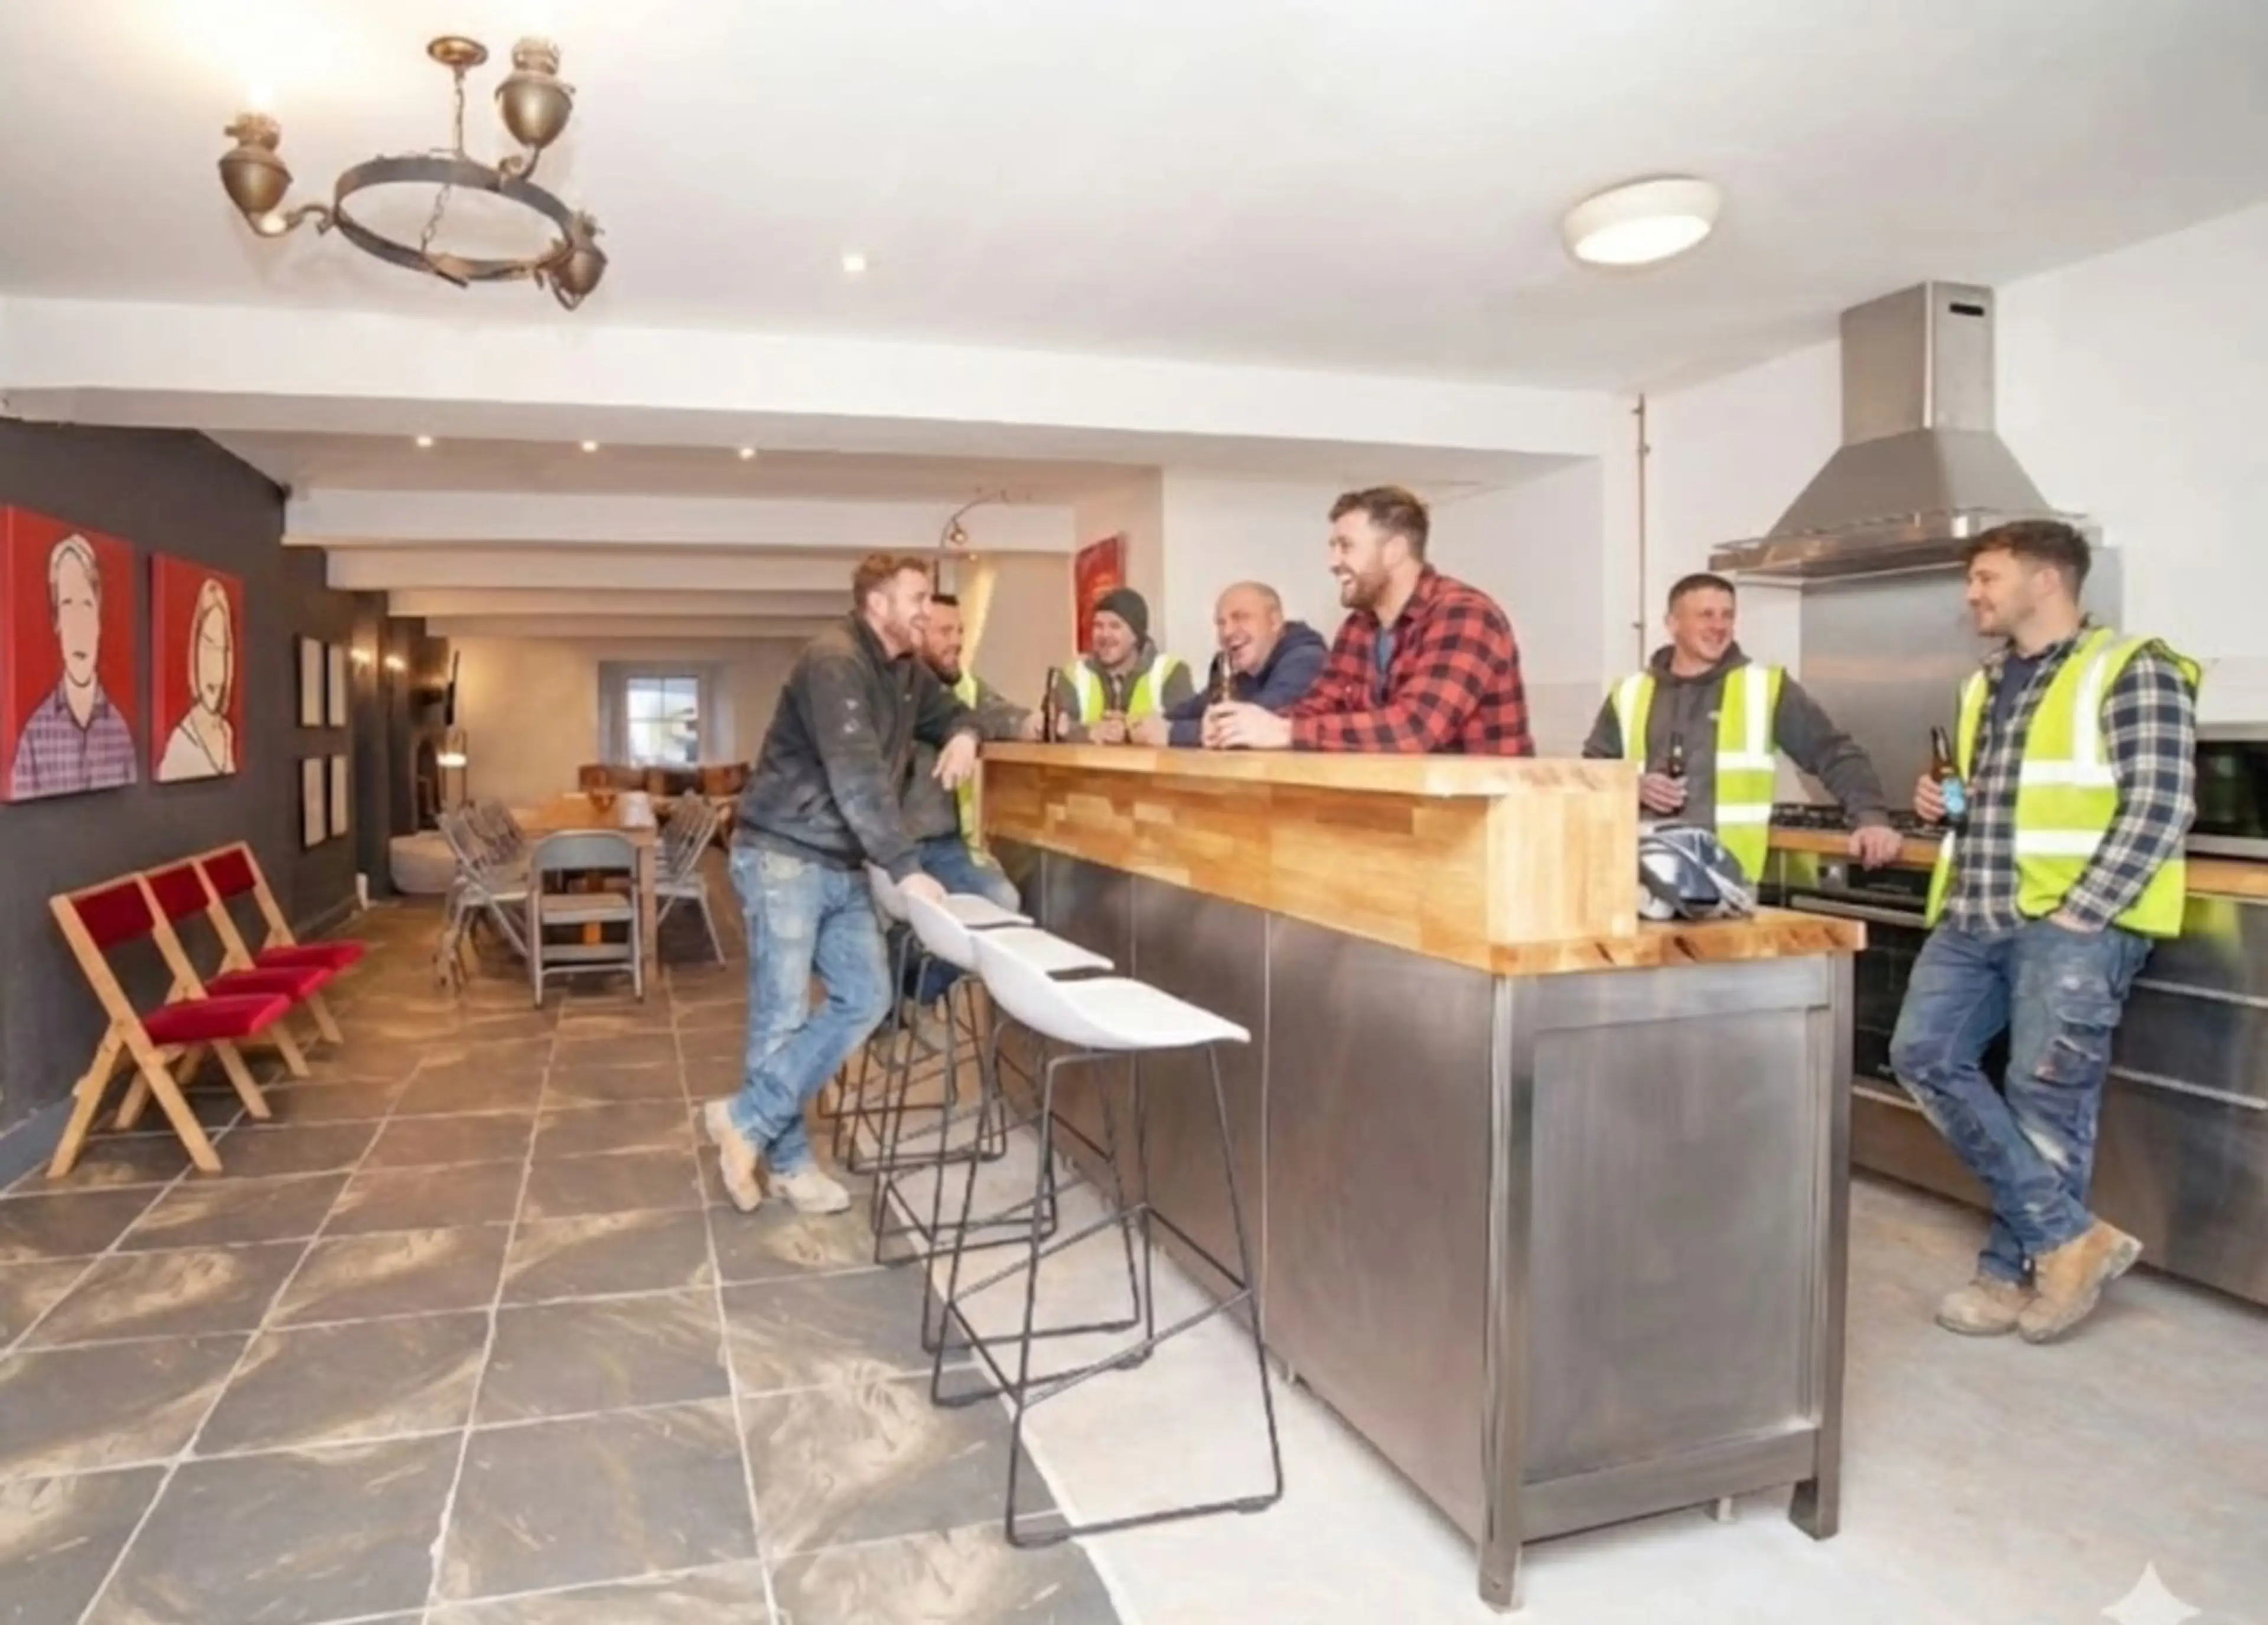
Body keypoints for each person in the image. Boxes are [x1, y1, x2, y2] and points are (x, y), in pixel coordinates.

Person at [1890, 520, 2198, 1344]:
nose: (1973, 594)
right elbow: (1999, 801)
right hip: (1975, 911)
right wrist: (1940, 803)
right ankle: (2068, 1238)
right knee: (1922, 1055)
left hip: (2070, 921)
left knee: (2044, 1099)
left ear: (2047, 579)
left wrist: (2083, 909)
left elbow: (2162, 802)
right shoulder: (1986, 683)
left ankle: (2008, 1277)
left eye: (1987, 577)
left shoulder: (2132, 669)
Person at [704, 553, 980, 1218]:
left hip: (839, 860)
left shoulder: (907, 672)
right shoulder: (834, 661)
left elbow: (955, 711)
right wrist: (906, 867)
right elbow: (856, 775)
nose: (928, 610)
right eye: (918, 598)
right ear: (877, 605)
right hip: (782, 856)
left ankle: (746, 1118)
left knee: (867, 994)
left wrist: (966, 733)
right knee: (782, 1016)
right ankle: (790, 1166)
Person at [1581, 572, 1899, 880]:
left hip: (1728, 879)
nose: (1719, 626)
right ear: (1672, 624)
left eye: (1728, 616)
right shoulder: (1630, 692)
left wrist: (1871, 818)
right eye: (1706, 615)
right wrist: (1632, 786)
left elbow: (1834, 754)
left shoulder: (1765, 687)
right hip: (1638, 875)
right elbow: (1588, 775)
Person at [1205, 486, 1531, 754]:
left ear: (1395, 551)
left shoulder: (1464, 614)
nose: (1333, 562)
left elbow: (1416, 729)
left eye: (1346, 547)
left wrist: (1283, 732)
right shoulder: (1358, 628)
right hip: (1402, 807)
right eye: (1333, 547)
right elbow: (1316, 707)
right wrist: (1238, 727)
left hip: (1484, 810)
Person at [898, 591, 1028, 1002]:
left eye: (960, 631)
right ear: (918, 634)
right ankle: (897, 974)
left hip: (947, 844)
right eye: (944, 632)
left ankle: (914, 987)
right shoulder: (895, 688)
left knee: (1003, 904)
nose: (956, 641)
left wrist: (1042, 723)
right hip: (893, 846)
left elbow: (1000, 714)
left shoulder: (965, 687)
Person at [9, 533, 138, 799]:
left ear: (99, 621)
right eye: (68, 606)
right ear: (57, 622)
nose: (79, 628)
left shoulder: (121, 734)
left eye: (86, 606)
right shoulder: (34, 741)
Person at [1135, 581, 1328, 747]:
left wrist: (1174, 734)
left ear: (1274, 621)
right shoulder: (1244, 674)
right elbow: (1188, 711)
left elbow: (1252, 725)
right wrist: (1136, 726)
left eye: (1240, 617)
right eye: (1221, 623)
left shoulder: (1307, 660)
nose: (1227, 632)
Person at [1047, 587, 1194, 743]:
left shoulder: (1171, 672)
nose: (1105, 635)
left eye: (1115, 626)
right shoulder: (1074, 675)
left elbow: (1184, 733)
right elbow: (1055, 729)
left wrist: (1128, 732)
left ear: (1136, 635)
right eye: (1098, 626)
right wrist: (1088, 733)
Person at [157, 578, 238, 781]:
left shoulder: (226, 733)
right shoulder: (180, 746)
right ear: (195, 654)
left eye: (221, 649)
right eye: (208, 647)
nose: (214, 665)